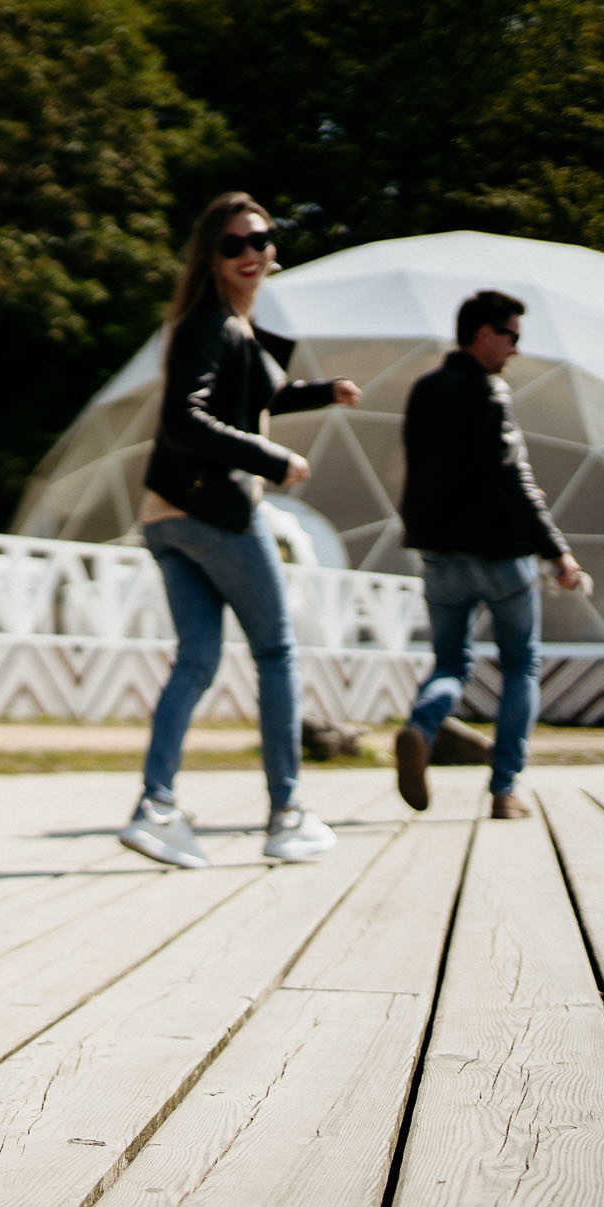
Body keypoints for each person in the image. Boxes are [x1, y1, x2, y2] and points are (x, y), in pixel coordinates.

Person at [118, 192, 361, 869]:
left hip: (166, 516)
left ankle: (156, 808)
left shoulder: (228, 326)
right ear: (211, 257)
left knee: (196, 659)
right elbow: (182, 422)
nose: (251, 253)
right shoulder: (211, 324)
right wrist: (273, 459)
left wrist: (325, 391)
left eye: (261, 239)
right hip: (215, 514)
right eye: (233, 245)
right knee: (278, 652)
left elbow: (263, 393)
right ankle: (287, 812)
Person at [395, 289, 584, 820]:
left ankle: (422, 726)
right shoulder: (488, 392)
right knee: (522, 665)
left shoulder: (425, 389)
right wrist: (557, 552)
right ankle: (505, 789)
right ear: (482, 335)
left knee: (452, 661)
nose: (516, 350)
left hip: (438, 552)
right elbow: (511, 475)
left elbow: (424, 469)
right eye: (512, 337)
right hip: (500, 553)